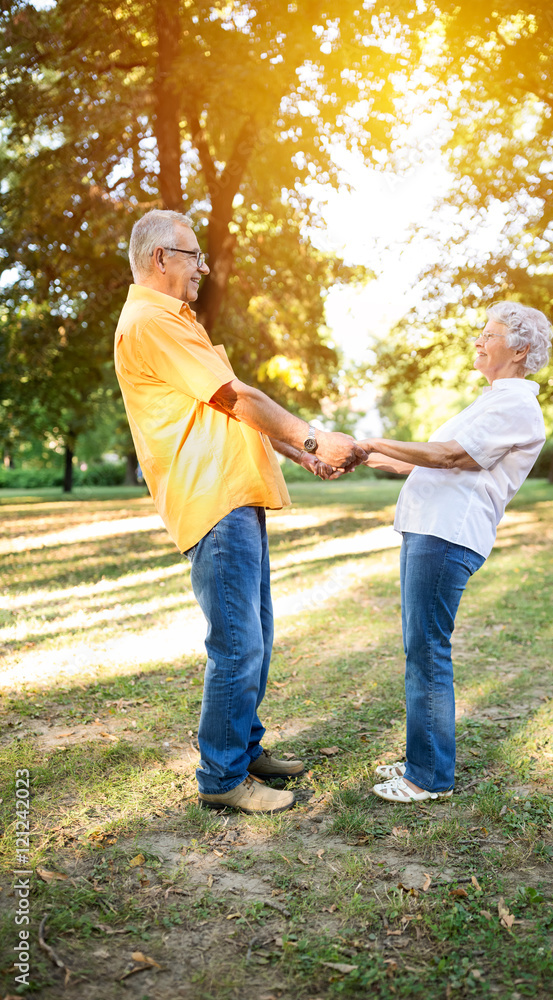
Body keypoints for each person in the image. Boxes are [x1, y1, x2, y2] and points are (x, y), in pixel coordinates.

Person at [114, 209, 364, 815]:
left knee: (257, 635)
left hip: (235, 493)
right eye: (193, 255)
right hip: (212, 497)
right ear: (159, 259)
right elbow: (235, 396)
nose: (204, 266)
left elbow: (231, 410)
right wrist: (310, 437)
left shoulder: (177, 322)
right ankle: (222, 777)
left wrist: (296, 455)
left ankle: (245, 748)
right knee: (236, 644)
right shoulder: (151, 321)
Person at [359, 302, 552, 803]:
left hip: (448, 535)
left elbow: (451, 456)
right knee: (419, 648)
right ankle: (425, 758)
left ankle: (428, 778)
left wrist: (376, 440)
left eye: (489, 335)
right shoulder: (491, 401)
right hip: (429, 528)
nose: (478, 342)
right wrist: (367, 456)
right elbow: (433, 463)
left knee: (427, 650)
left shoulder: (515, 406)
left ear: (520, 349)